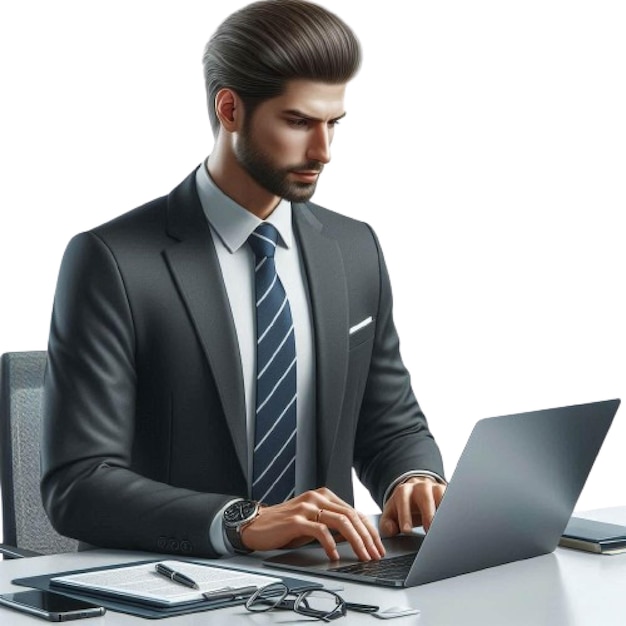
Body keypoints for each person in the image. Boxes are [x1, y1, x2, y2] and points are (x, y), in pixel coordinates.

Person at [41, 0, 446, 562]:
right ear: (229, 109)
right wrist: (241, 523)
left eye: (333, 124)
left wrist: (414, 478)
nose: (323, 151)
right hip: (179, 585)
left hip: (333, 587)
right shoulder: (113, 261)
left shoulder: (355, 250)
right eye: (299, 122)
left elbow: (388, 423)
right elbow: (79, 484)